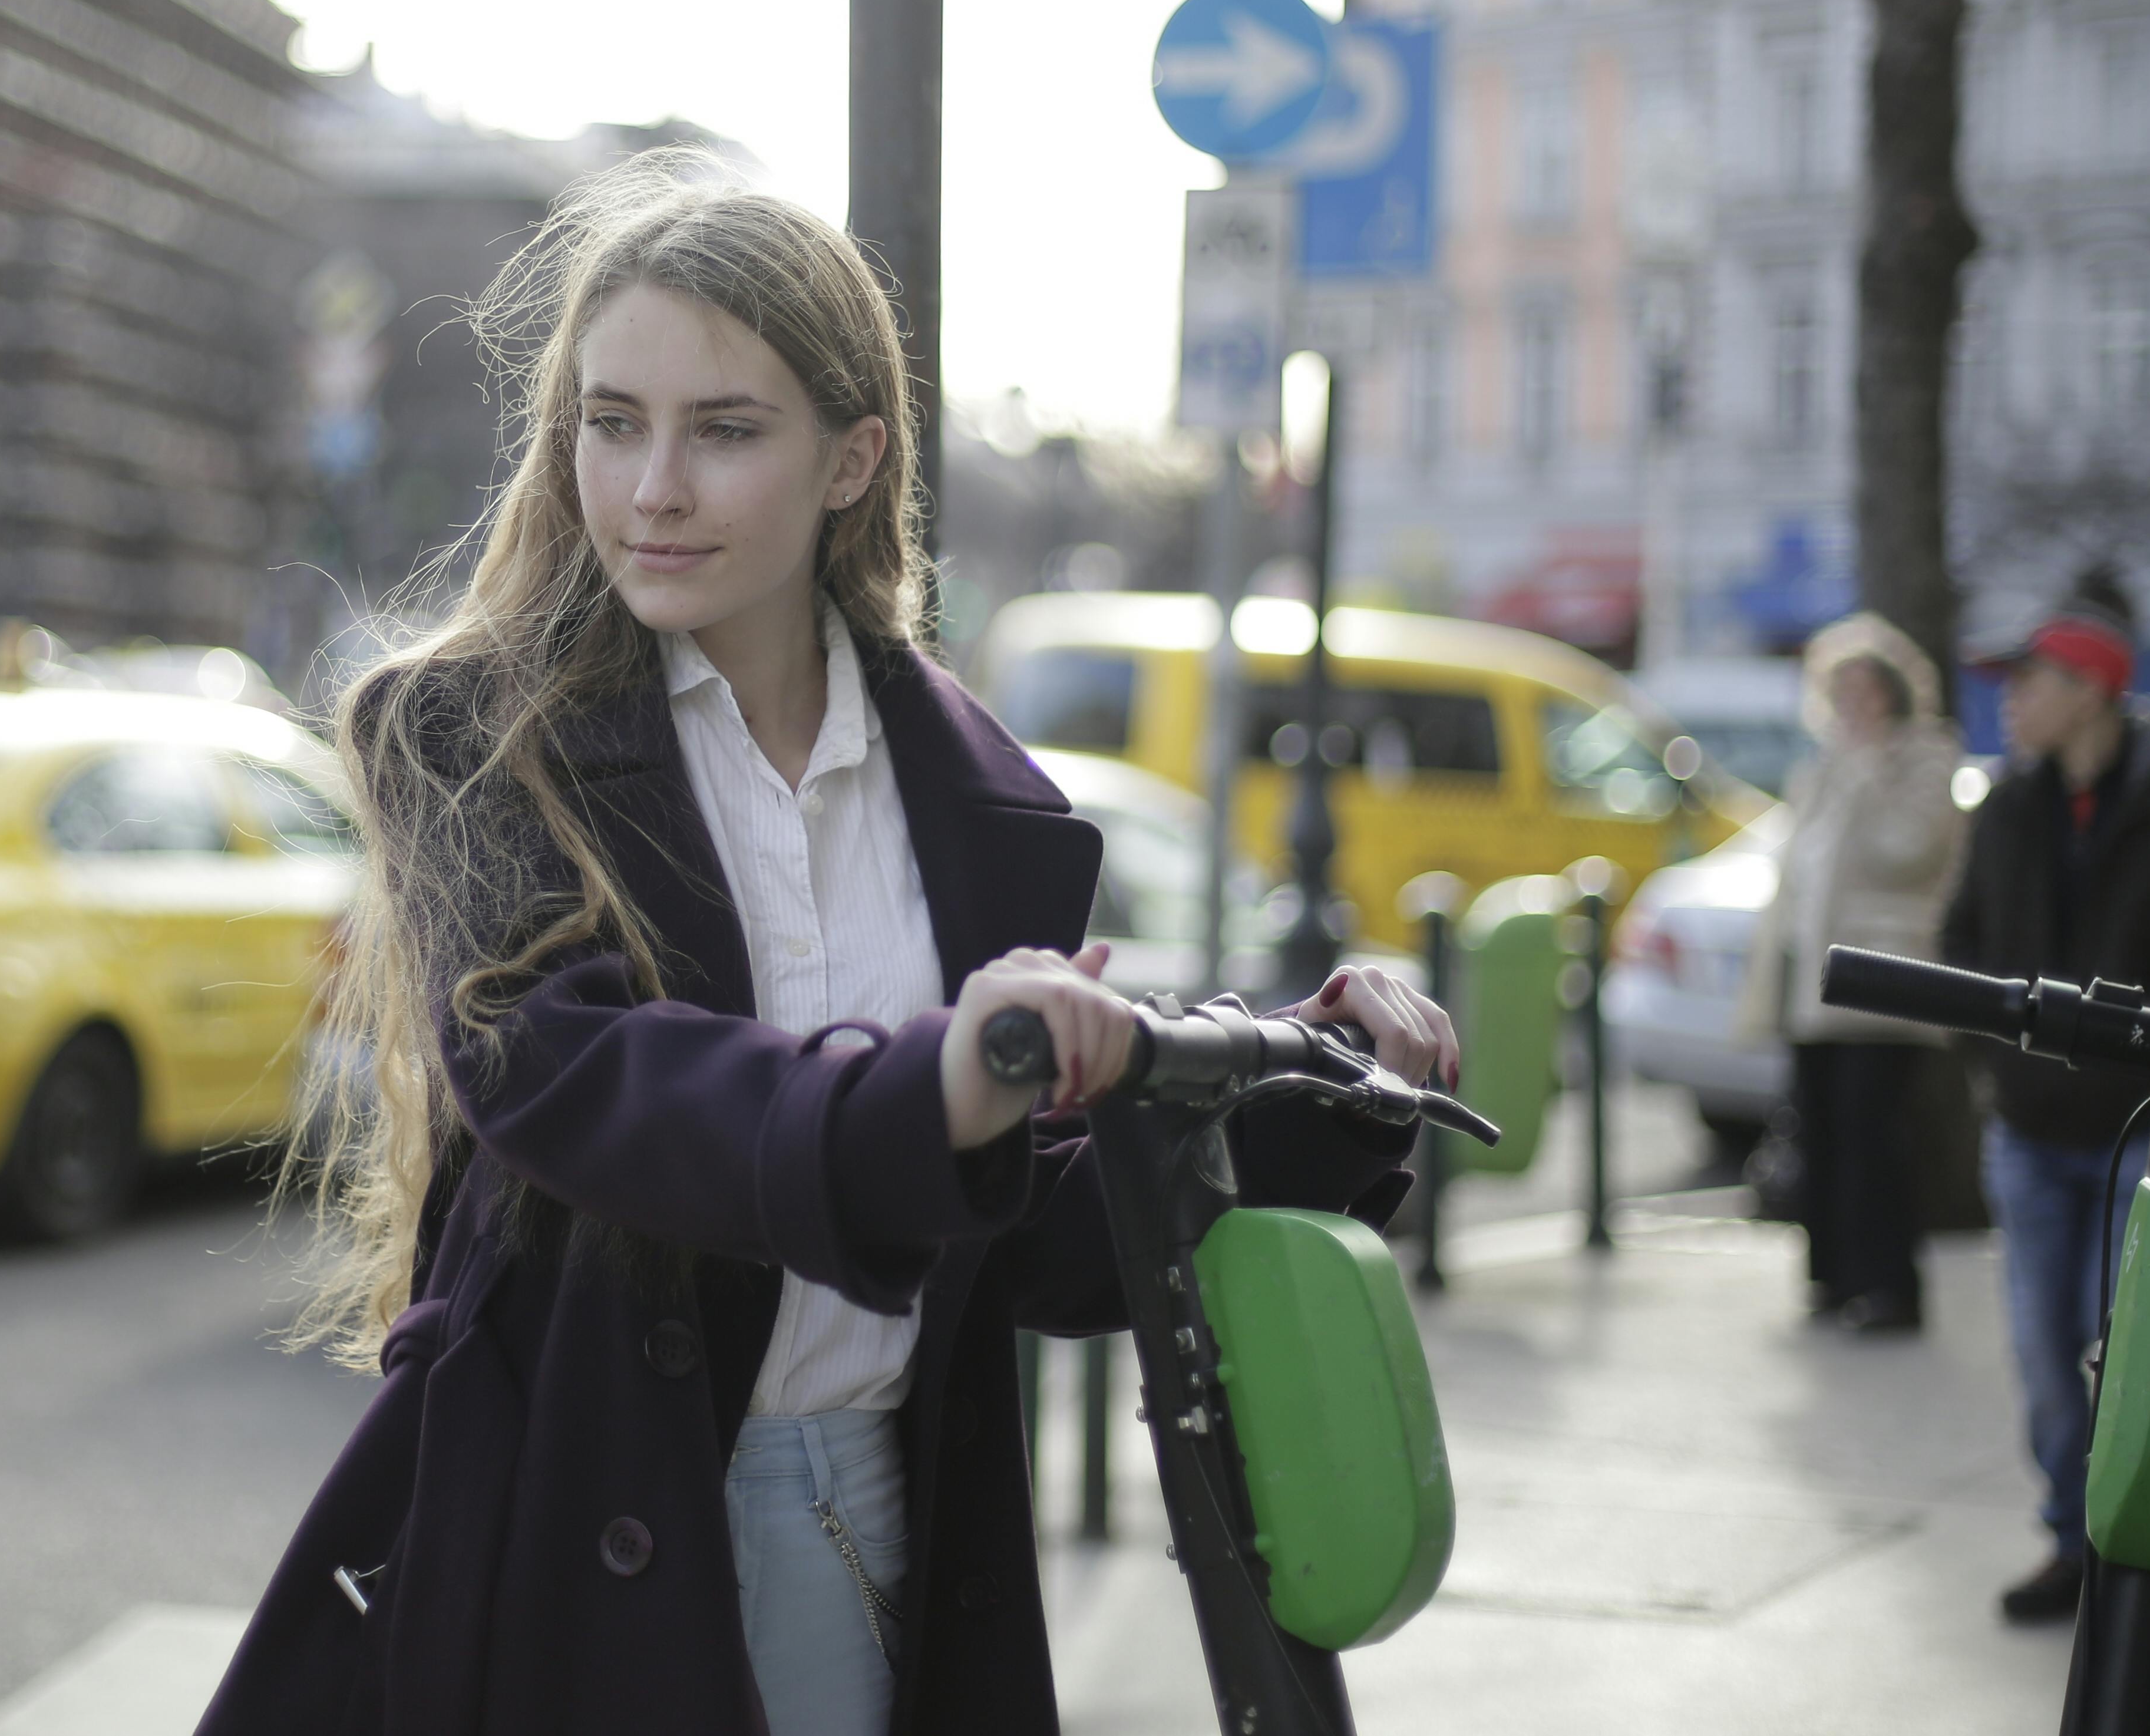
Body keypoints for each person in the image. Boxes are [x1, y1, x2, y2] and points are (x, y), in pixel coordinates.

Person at [199, 156, 1454, 1736]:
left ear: (851, 458)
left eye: (723, 431)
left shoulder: (979, 803)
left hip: (886, 1527)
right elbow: (575, 1078)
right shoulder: (466, 733)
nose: (652, 485)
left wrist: (1306, 1092)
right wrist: (926, 1086)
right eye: (610, 420)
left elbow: (1014, 1242)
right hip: (561, 1535)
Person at [1939, 577, 2150, 1624]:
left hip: (2143, 1130)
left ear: (2092, 689)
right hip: (2032, 1131)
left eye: (2027, 682)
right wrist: (2001, 1058)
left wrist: (2148, 1033)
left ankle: (2139, 1540)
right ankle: (2069, 1540)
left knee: (2126, 1354)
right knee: (2047, 1353)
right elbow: (1964, 942)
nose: (2009, 702)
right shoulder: (2009, 800)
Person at [1738, 613, 1967, 1333]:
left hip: (1882, 983)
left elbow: (1910, 852)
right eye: (1841, 690)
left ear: (1896, 692)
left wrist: (1869, 770)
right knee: (1822, 1131)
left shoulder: (1923, 759)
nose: (1854, 705)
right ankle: (1831, 1277)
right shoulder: (1821, 767)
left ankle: (1889, 1286)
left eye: (1866, 689)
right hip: (1811, 984)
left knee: (1877, 1140)